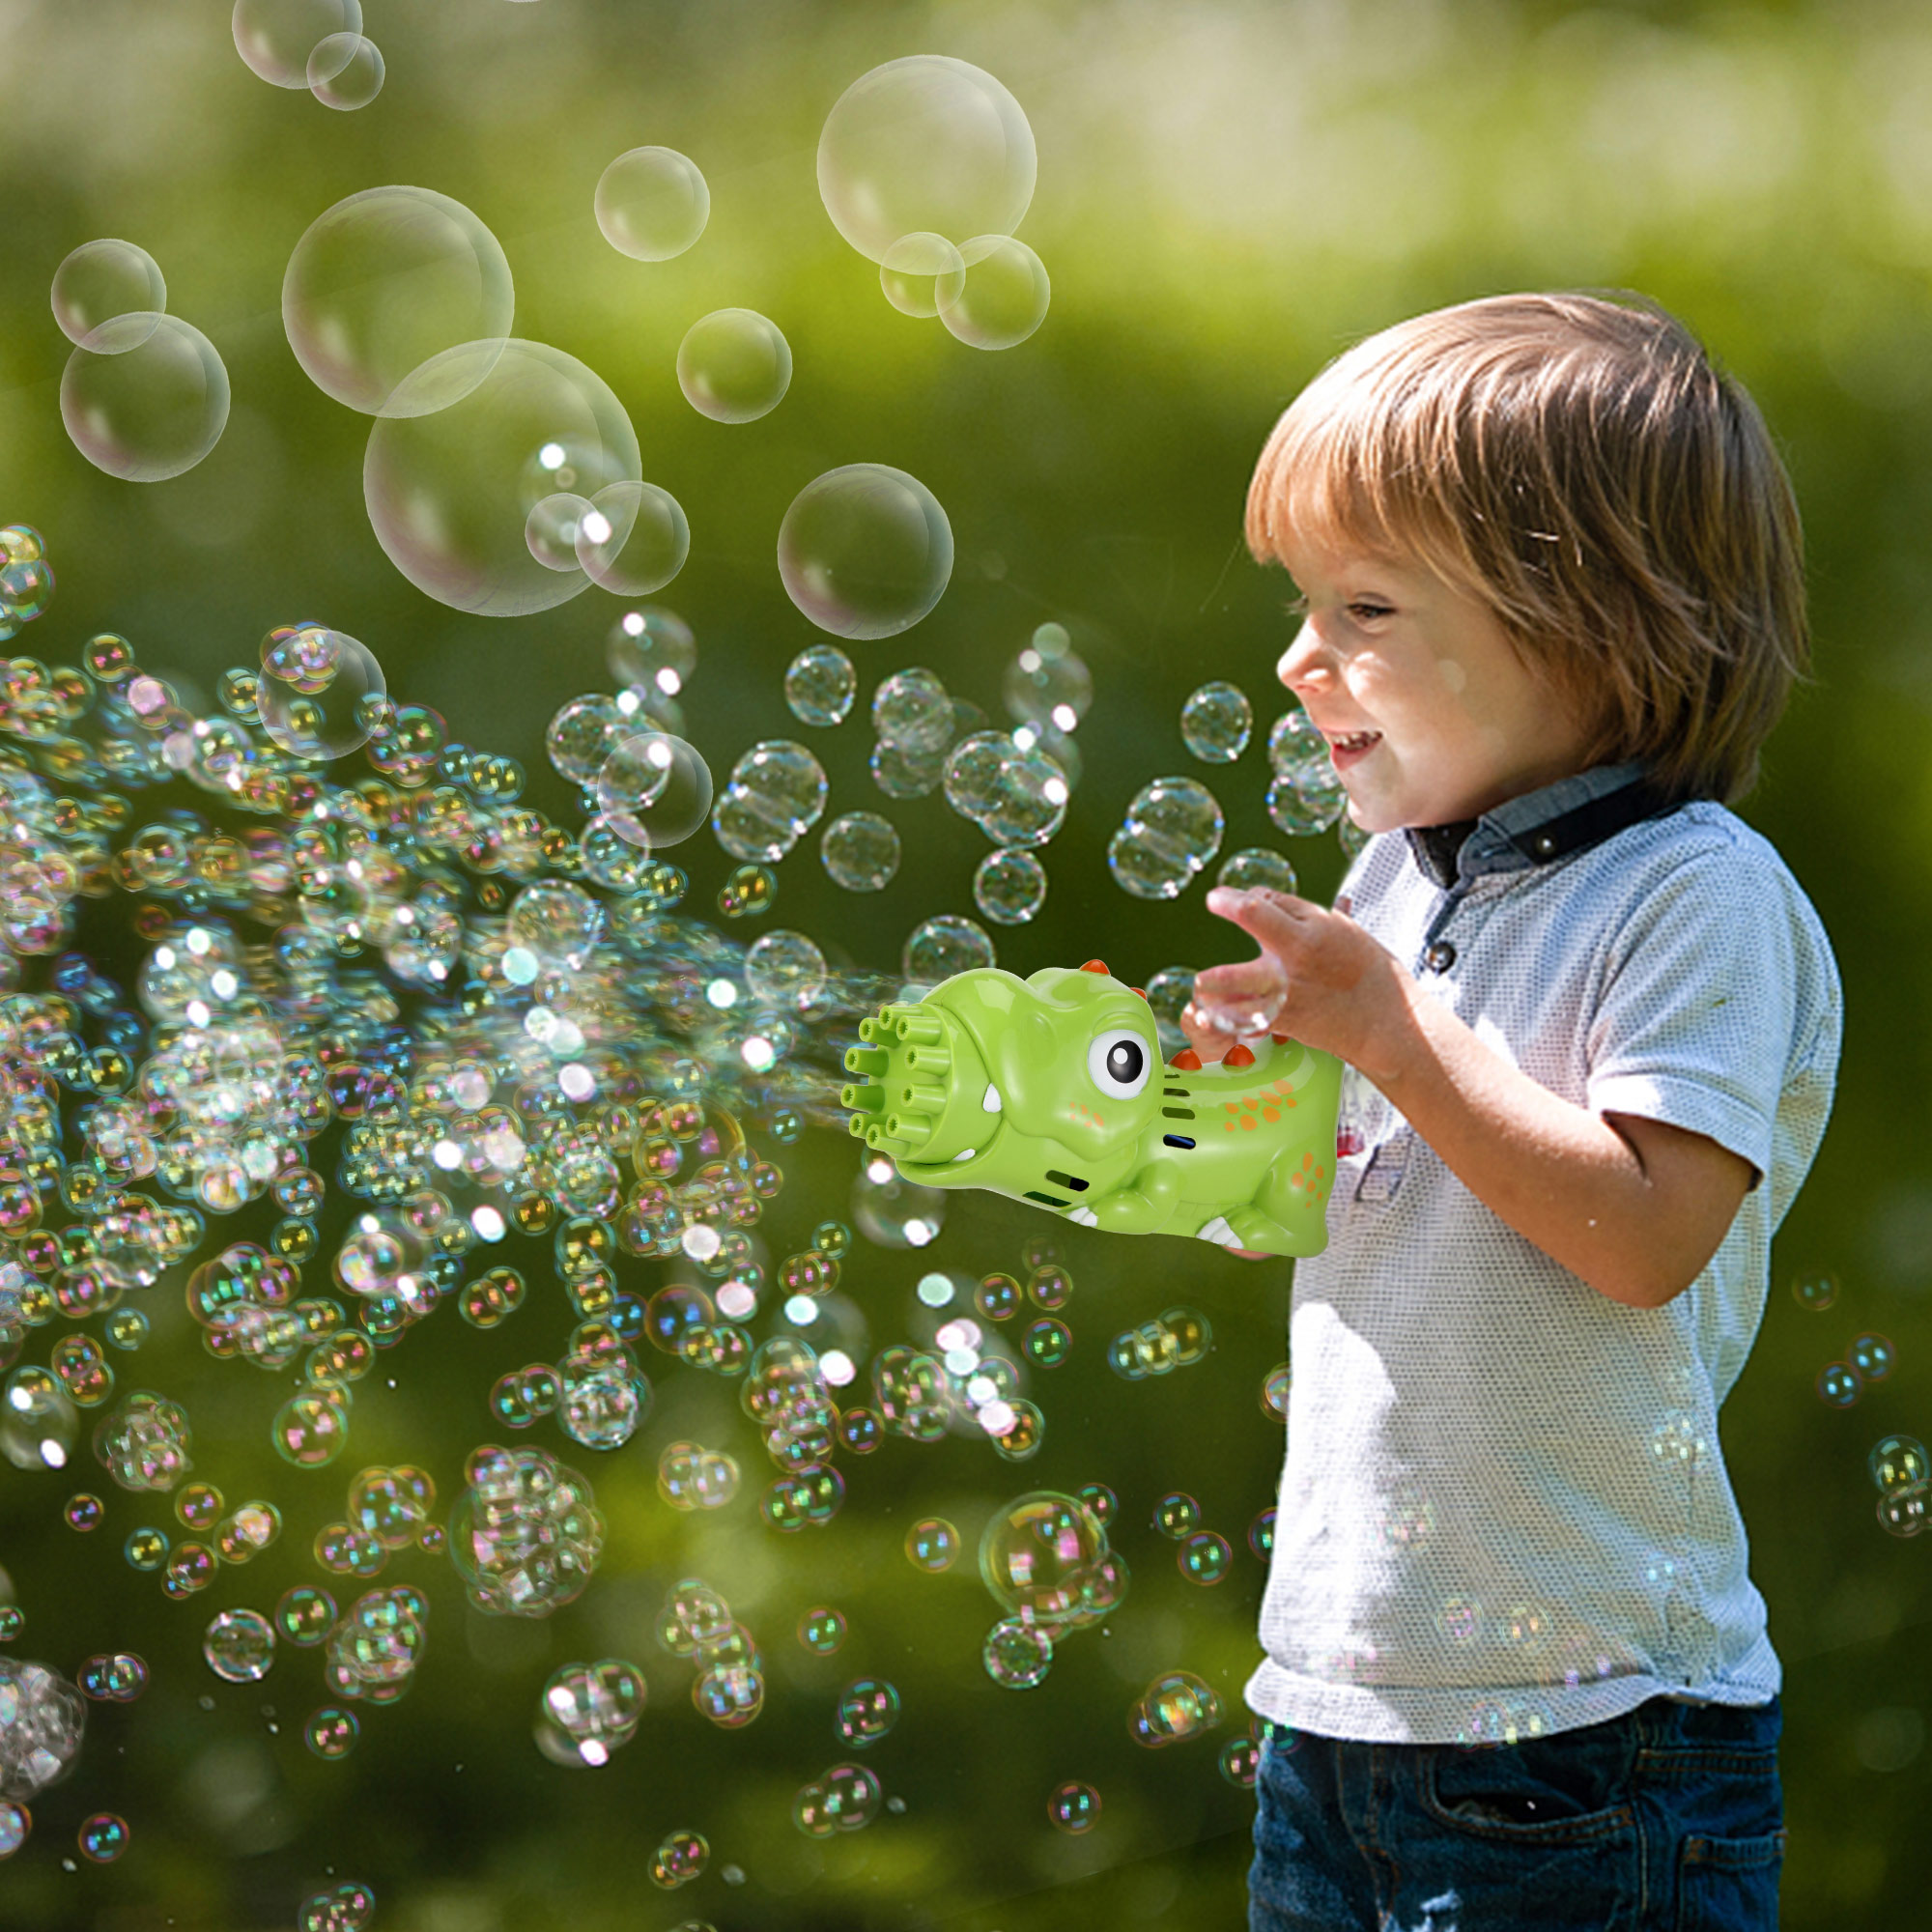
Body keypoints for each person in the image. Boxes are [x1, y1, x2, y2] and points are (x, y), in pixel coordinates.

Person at [1180, 292, 1842, 1931]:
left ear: (1589, 630)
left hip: (1590, 1734)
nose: (1298, 655)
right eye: (1301, 601)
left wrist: (1392, 1037)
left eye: (1366, 606)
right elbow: (1347, 1195)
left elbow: (1643, 1235)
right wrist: (1208, 1124)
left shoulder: (1692, 898)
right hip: (1345, 1696)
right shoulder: (1396, 886)